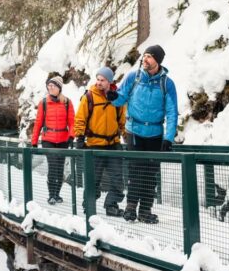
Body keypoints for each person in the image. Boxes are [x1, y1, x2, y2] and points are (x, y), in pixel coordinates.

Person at [107, 45, 177, 223]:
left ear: (157, 61)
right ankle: (130, 209)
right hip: (135, 131)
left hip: (155, 133)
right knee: (135, 171)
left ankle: (145, 211)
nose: (145, 59)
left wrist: (168, 138)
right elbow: (121, 97)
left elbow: (171, 112)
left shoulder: (167, 83)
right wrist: (113, 97)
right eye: (144, 56)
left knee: (150, 173)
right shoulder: (134, 76)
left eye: (149, 57)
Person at [72, 66, 127, 217]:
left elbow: (122, 120)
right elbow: (80, 119)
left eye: (102, 80)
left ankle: (111, 205)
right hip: (94, 145)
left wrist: (126, 135)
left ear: (110, 81)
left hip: (113, 144)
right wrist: (80, 138)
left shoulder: (117, 98)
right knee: (93, 179)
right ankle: (88, 205)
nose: (99, 82)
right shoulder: (89, 97)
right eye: (97, 79)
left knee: (117, 178)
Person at [31, 76, 75, 204]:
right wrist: (34, 142)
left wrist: (71, 136)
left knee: (60, 167)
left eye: (53, 86)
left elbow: (72, 122)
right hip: (48, 139)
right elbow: (38, 123)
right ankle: (51, 194)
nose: (50, 88)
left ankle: (57, 194)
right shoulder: (43, 103)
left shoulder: (67, 102)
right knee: (53, 166)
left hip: (63, 140)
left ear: (59, 88)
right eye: (48, 85)